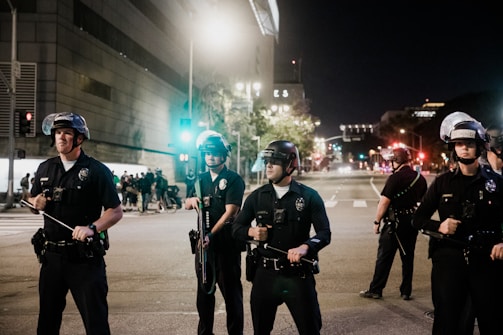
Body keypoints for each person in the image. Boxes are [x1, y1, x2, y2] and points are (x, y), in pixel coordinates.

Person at [27, 112, 123, 335]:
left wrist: (92, 228)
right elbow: (31, 202)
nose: (61, 137)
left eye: (67, 133)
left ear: (79, 138)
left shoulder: (97, 171)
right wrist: (35, 202)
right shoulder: (45, 168)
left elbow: (115, 211)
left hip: (85, 260)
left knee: (95, 322)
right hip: (51, 258)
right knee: (47, 322)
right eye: (58, 132)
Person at [412, 112, 503, 334]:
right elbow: (417, 219)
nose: (464, 148)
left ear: (479, 147)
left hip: (486, 261)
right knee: (448, 322)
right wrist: (439, 226)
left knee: (492, 320)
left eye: (469, 143)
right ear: (453, 148)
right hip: (449, 262)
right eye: (459, 144)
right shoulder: (442, 183)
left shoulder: (496, 182)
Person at [232, 140, 331, 335]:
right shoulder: (256, 197)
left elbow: (324, 233)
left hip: (298, 276)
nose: (268, 166)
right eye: (267, 161)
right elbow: (236, 228)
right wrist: (251, 232)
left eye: (274, 161)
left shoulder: (309, 196)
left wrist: (306, 247)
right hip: (264, 274)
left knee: (310, 329)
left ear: (290, 165)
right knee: (261, 330)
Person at [185, 131, 245, 335]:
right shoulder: (199, 180)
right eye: (207, 153)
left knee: (232, 297)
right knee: (203, 297)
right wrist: (191, 201)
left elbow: (231, 212)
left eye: (215, 153)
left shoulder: (233, 179)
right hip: (204, 249)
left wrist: (211, 234)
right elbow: (187, 202)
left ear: (223, 155)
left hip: (226, 247)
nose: (210, 157)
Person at [360, 147, 427, 300]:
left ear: (396, 161)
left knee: (384, 257)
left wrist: (377, 221)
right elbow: (424, 202)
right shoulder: (419, 178)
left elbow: (384, 202)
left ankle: (376, 289)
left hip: (393, 223)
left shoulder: (395, 178)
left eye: (391, 161)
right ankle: (405, 291)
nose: (390, 164)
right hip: (411, 222)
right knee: (408, 257)